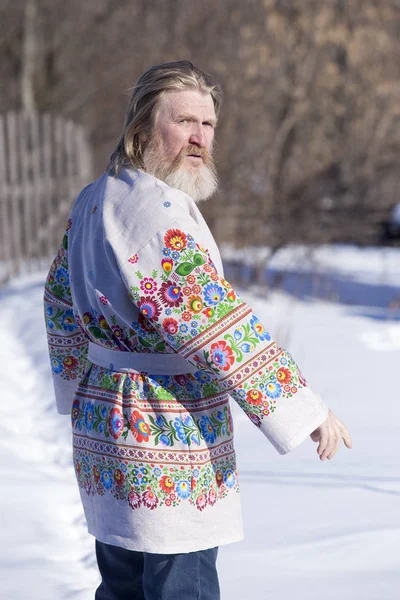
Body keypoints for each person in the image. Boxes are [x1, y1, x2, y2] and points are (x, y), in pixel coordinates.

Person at [44, 61, 352, 600]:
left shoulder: (96, 197)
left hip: (105, 428)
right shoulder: (155, 214)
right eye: (184, 121)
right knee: (178, 589)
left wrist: (76, 390)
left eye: (208, 125)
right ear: (141, 127)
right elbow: (216, 324)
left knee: (122, 587)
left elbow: (58, 302)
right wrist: (305, 409)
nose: (199, 138)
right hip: (164, 432)